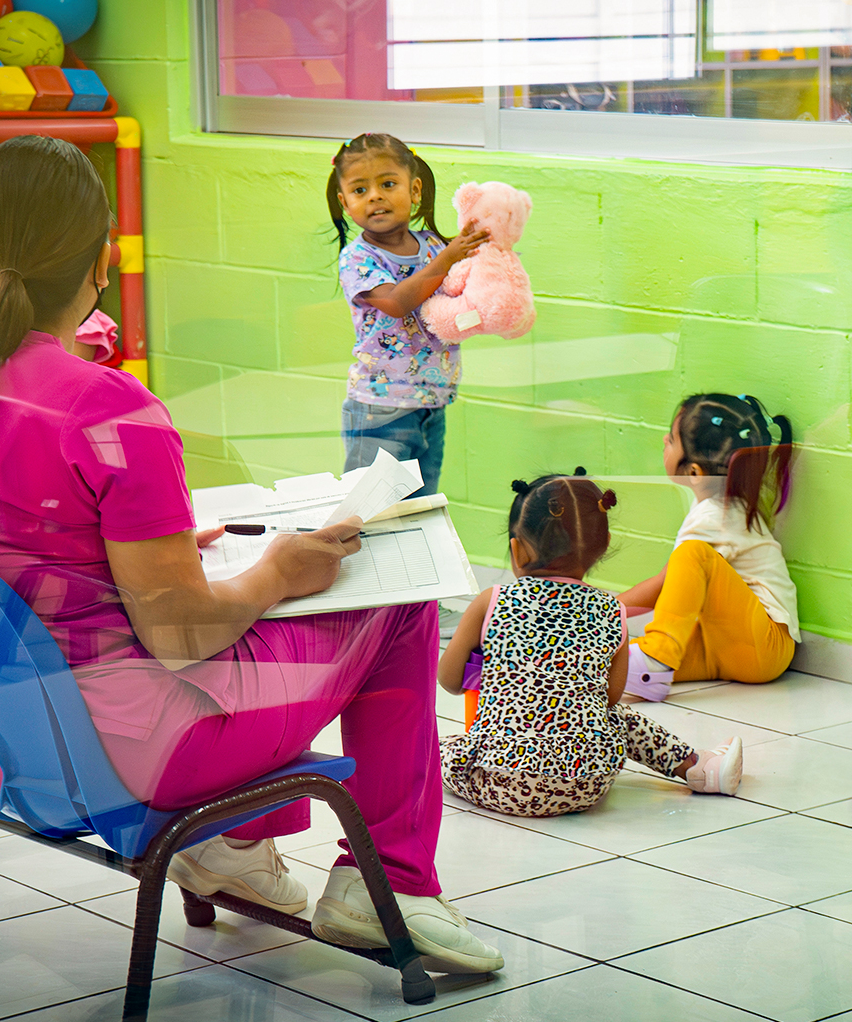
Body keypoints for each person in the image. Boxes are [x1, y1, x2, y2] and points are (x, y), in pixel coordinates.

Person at [0, 135, 502, 975]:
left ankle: (234, 852)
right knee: (398, 604)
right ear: (101, 261)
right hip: (133, 752)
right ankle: (387, 882)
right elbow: (181, 638)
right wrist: (275, 571)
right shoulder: (110, 408)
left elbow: (15, 558)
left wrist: (149, 556)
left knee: (248, 610)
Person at [438, 472, 743, 817]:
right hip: (587, 784)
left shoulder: (491, 601)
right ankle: (700, 769)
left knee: (438, 748)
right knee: (619, 718)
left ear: (517, 549)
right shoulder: (613, 610)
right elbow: (610, 698)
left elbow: (448, 680)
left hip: (500, 783)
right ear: (603, 544)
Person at [328, 133, 488, 496]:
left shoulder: (432, 244)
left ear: (414, 190)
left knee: (421, 505)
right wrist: (449, 258)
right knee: (371, 512)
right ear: (345, 203)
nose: (374, 196)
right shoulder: (359, 259)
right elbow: (397, 303)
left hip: (431, 405)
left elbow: (462, 289)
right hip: (381, 410)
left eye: (387, 184)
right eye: (359, 190)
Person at [618, 394, 797, 701]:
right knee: (610, 665)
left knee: (691, 555)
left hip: (763, 643)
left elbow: (663, 584)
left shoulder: (716, 515)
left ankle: (657, 657)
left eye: (672, 440)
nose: (664, 439)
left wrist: (592, 612)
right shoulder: (724, 508)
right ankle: (635, 664)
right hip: (729, 647)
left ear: (695, 473)